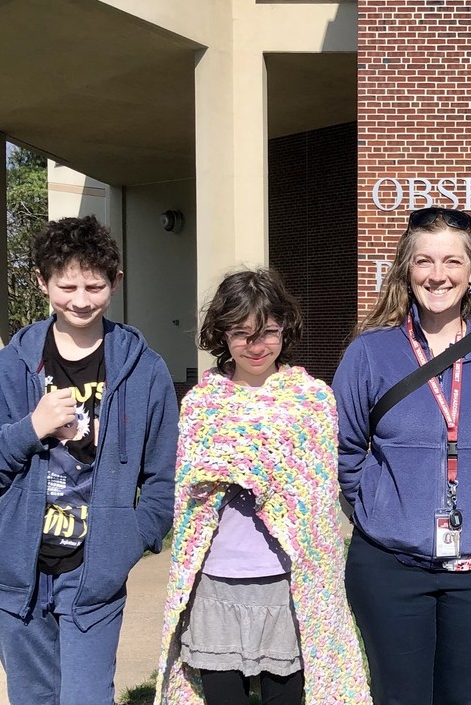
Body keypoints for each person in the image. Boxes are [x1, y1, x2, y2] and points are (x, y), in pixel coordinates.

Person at [0, 215, 178, 705]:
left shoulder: (146, 370)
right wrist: (31, 429)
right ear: (41, 281)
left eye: (94, 285)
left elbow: (164, 480)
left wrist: (126, 543)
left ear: (116, 283)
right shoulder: (11, 366)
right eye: (67, 285)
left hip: (94, 580)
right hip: (17, 580)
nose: (81, 299)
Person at [333, 207, 471, 705]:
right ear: (406, 269)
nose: (437, 275)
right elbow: (346, 447)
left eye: (451, 261)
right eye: (424, 261)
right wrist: (383, 509)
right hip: (390, 568)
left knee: (465, 697)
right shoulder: (370, 353)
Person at [156, 268, 370, 705]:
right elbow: (191, 495)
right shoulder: (202, 405)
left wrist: (259, 473)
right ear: (222, 334)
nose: (256, 346)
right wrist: (231, 469)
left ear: (285, 331)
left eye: (268, 332)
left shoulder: (311, 402)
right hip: (216, 581)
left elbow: (314, 500)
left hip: (285, 583)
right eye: (242, 333)